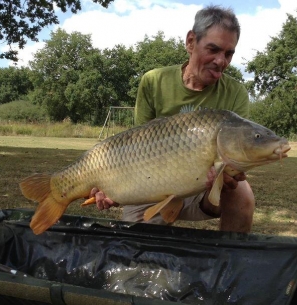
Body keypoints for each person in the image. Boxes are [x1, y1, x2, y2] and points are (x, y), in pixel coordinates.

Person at [90, 5, 255, 232]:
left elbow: (239, 151)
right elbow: (136, 149)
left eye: (228, 53)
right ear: (190, 42)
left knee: (242, 193)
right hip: (154, 184)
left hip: (206, 191)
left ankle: (231, 261)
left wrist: (226, 176)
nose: (221, 61)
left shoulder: (235, 93)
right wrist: (115, 188)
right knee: (137, 251)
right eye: (213, 49)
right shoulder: (154, 81)